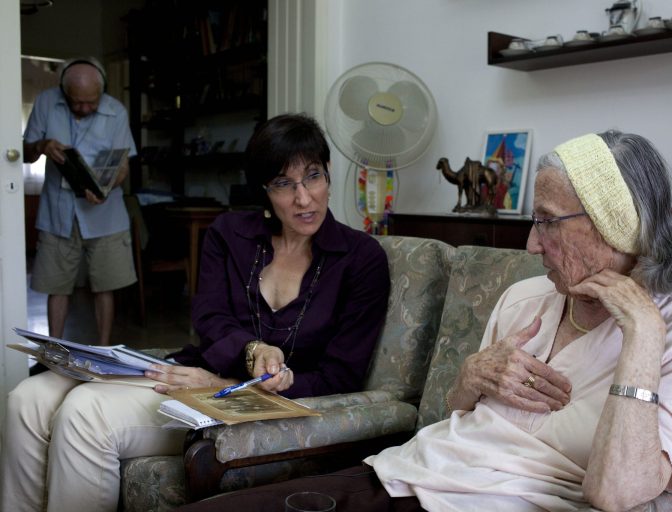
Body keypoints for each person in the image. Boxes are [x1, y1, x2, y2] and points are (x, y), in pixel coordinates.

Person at [175, 130, 672, 512]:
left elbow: (616, 493)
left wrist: (642, 340)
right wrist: (471, 377)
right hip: (403, 475)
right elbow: (452, 416)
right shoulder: (526, 297)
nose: (532, 243)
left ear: (617, 226)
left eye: (548, 223)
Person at [0, 113, 390, 511]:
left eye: (313, 176)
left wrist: (224, 381)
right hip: (195, 375)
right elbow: (210, 318)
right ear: (264, 190)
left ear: (327, 174)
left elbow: (342, 375)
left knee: (85, 413)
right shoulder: (230, 234)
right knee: (27, 398)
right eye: (283, 183)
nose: (303, 197)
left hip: (254, 406)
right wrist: (252, 350)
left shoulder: (361, 259)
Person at [23, 56, 137, 346]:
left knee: (105, 286)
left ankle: (103, 352)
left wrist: (106, 188)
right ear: (64, 92)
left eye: (92, 102)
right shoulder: (46, 103)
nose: (85, 108)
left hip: (105, 213)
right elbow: (24, 154)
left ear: (102, 91)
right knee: (56, 286)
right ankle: (53, 354)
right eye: (78, 103)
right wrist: (42, 145)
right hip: (57, 213)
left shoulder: (117, 111)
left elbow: (123, 165)